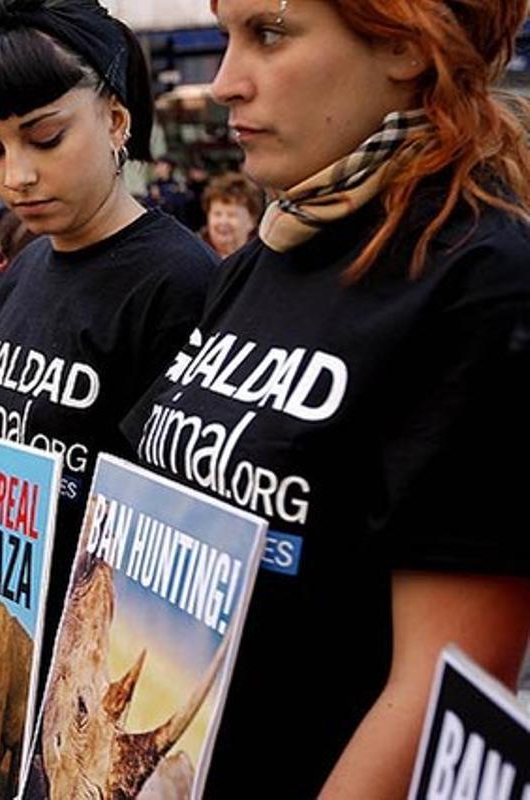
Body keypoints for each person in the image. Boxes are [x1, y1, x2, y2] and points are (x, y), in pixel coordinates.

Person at [119, 0, 530, 795]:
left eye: (268, 34)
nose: (223, 83)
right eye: (225, 35)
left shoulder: (482, 281)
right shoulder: (264, 257)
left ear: (407, 46)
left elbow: (441, 689)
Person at [0, 0, 216, 657]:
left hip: (91, 661)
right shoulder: (25, 268)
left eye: (45, 139)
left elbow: (169, 536)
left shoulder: (178, 281)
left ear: (116, 119)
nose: (17, 175)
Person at [200, 171, 261, 257]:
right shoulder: (195, 252)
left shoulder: (260, 256)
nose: (223, 221)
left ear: (252, 220)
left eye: (231, 215)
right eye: (217, 214)